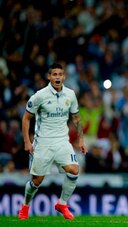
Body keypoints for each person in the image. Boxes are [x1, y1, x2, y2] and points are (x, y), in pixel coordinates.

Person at [18, 63, 88, 220]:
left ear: (64, 77)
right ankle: (25, 206)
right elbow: (26, 118)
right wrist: (27, 142)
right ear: (49, 77)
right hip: (42, 143)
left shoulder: (70, 95)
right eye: (54, 74)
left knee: (74, 170)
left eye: (60, 74)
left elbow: (76, 118)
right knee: (37, 181)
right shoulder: (39, 96)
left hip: (62, 141)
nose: (57, 77)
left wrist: (81, 140)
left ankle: (62, 203)